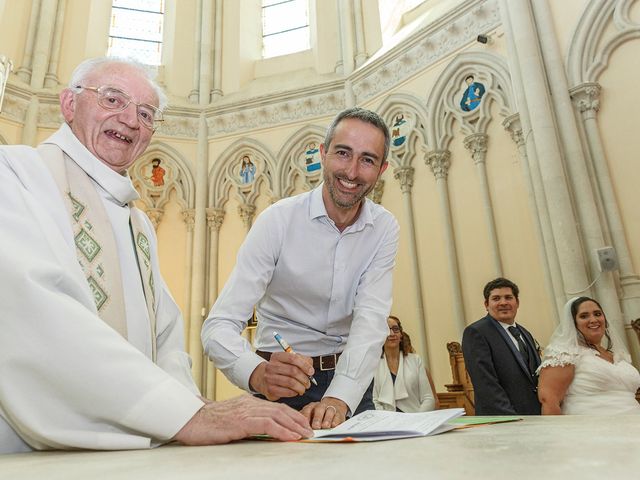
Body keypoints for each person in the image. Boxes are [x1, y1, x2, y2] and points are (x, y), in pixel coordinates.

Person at [0, 57, 312, 454]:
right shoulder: (16, 174)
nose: (131, 120)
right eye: (113, 99)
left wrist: (189, 409)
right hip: (26, 455)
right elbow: (32, 307)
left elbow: (165, 335)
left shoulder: (139, 223)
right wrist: (183, 415)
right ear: (68, 104)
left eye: (146, 114)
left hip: (133, 448)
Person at [202, 107, 400, 430]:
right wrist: (257, 373)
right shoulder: (276, 221)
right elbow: (217, 326)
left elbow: (370, 320)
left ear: (382, 170)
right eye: (342, 153)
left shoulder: (384, 228)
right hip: (280, 382)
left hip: (350, 384)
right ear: (322, 154)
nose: (351, 171)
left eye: (367, 159)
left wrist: (340, 397)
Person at [537, 297, 640, 415]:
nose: (593, 319)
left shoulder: (615, 355)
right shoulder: (565, 353)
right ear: (573, 324)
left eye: (597, 314)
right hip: (591, 428)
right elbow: (549, 400)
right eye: (584, 316)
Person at [462, 277, 541, 415]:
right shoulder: (476, 332)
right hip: (503, 418)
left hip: (533, 415)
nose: (503, 302)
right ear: (486, 304)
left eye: (508, 297)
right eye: (496, 298)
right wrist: (510, 418)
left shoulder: (525, 333)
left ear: (517, 302)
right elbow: (485, 383)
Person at [373, 316, 436, 412]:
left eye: (396, 329)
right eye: (386, 330)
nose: (392, 333)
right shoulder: (373, 364)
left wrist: (417, 421)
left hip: (416, 419)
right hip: (385, 422)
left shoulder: (415, 360)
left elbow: (428, 398)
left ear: (401, 335)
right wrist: (387, 422)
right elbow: (374, 400)